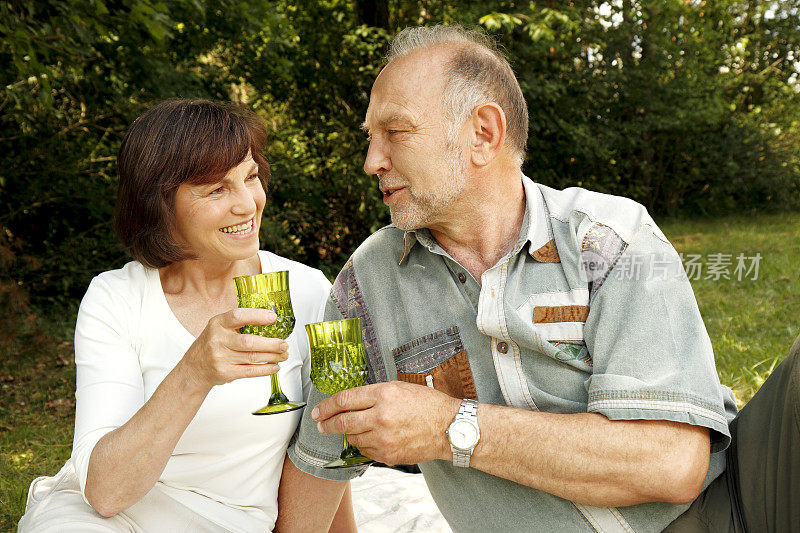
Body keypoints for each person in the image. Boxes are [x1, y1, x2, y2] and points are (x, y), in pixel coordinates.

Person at [278, 25, 799, 532]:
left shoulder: (611, 238)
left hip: (728, 509)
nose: (372, 161)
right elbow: (321, 453)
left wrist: (450, 427)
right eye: (372, 138)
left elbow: (674, 463)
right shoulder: (362, 287)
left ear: (483, 134)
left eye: (395, 133)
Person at [17, 99, 355, 532]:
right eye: (216, 189)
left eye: (250, 177)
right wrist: (193, 372)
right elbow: (104, 493)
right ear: (160, 205)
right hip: (111, 517)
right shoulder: (115, 298)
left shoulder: (307, 290)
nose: (247, 205)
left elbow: (330, 440)